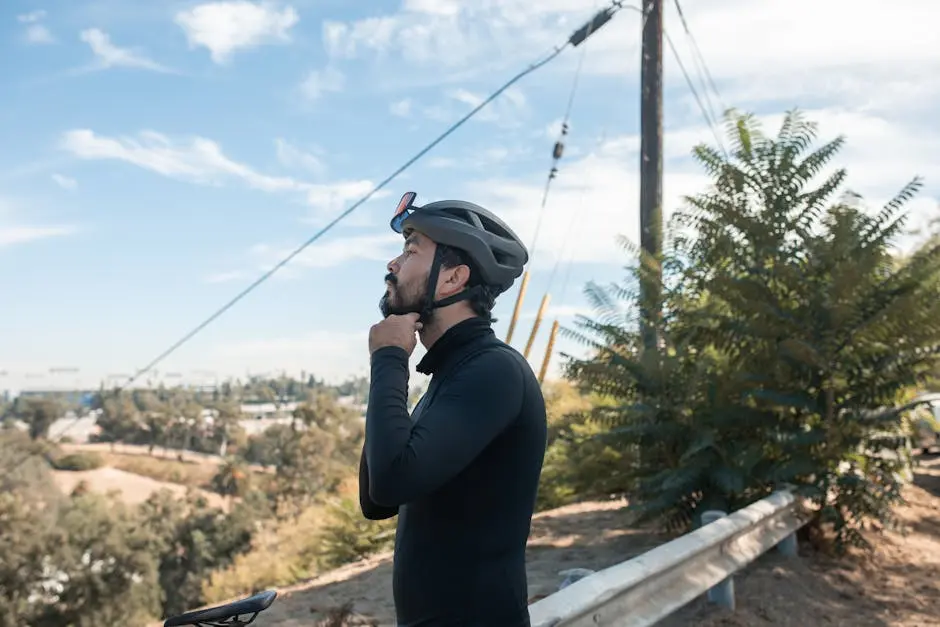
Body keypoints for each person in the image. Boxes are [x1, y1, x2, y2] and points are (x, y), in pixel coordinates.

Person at [361, 192, 548, 627]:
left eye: (410, 251)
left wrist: (388, 359)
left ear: (452, 280)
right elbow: (374, 501)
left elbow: (391, 482)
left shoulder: (493, 371)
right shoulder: (450, 376)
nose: (392, 264)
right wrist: (391, 366)